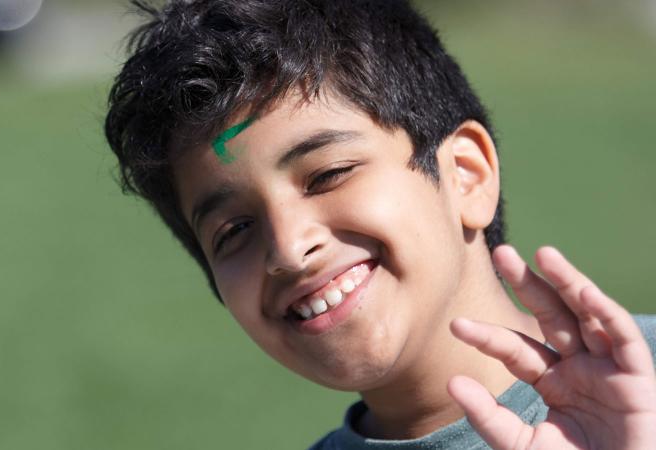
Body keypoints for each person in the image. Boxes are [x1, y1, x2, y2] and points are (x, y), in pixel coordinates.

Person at [103, 1, 656, 448]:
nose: (290, 249)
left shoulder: (643, 383)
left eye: (329, 175)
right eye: (234, 231)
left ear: (465, 175)